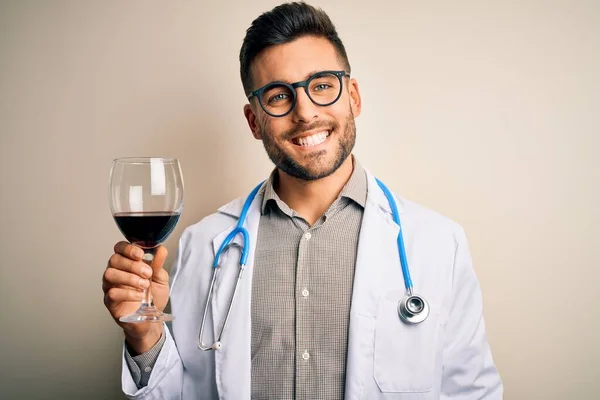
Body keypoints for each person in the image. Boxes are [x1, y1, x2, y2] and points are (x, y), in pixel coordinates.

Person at [102, 2, 503, 399]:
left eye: (323, 85)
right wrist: (146, 335)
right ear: (254, 121)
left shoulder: (438, 244)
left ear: (354, 97)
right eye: (278, 96)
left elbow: (473, 393)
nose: (306, 112)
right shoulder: (203, 245)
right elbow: (182, 394)